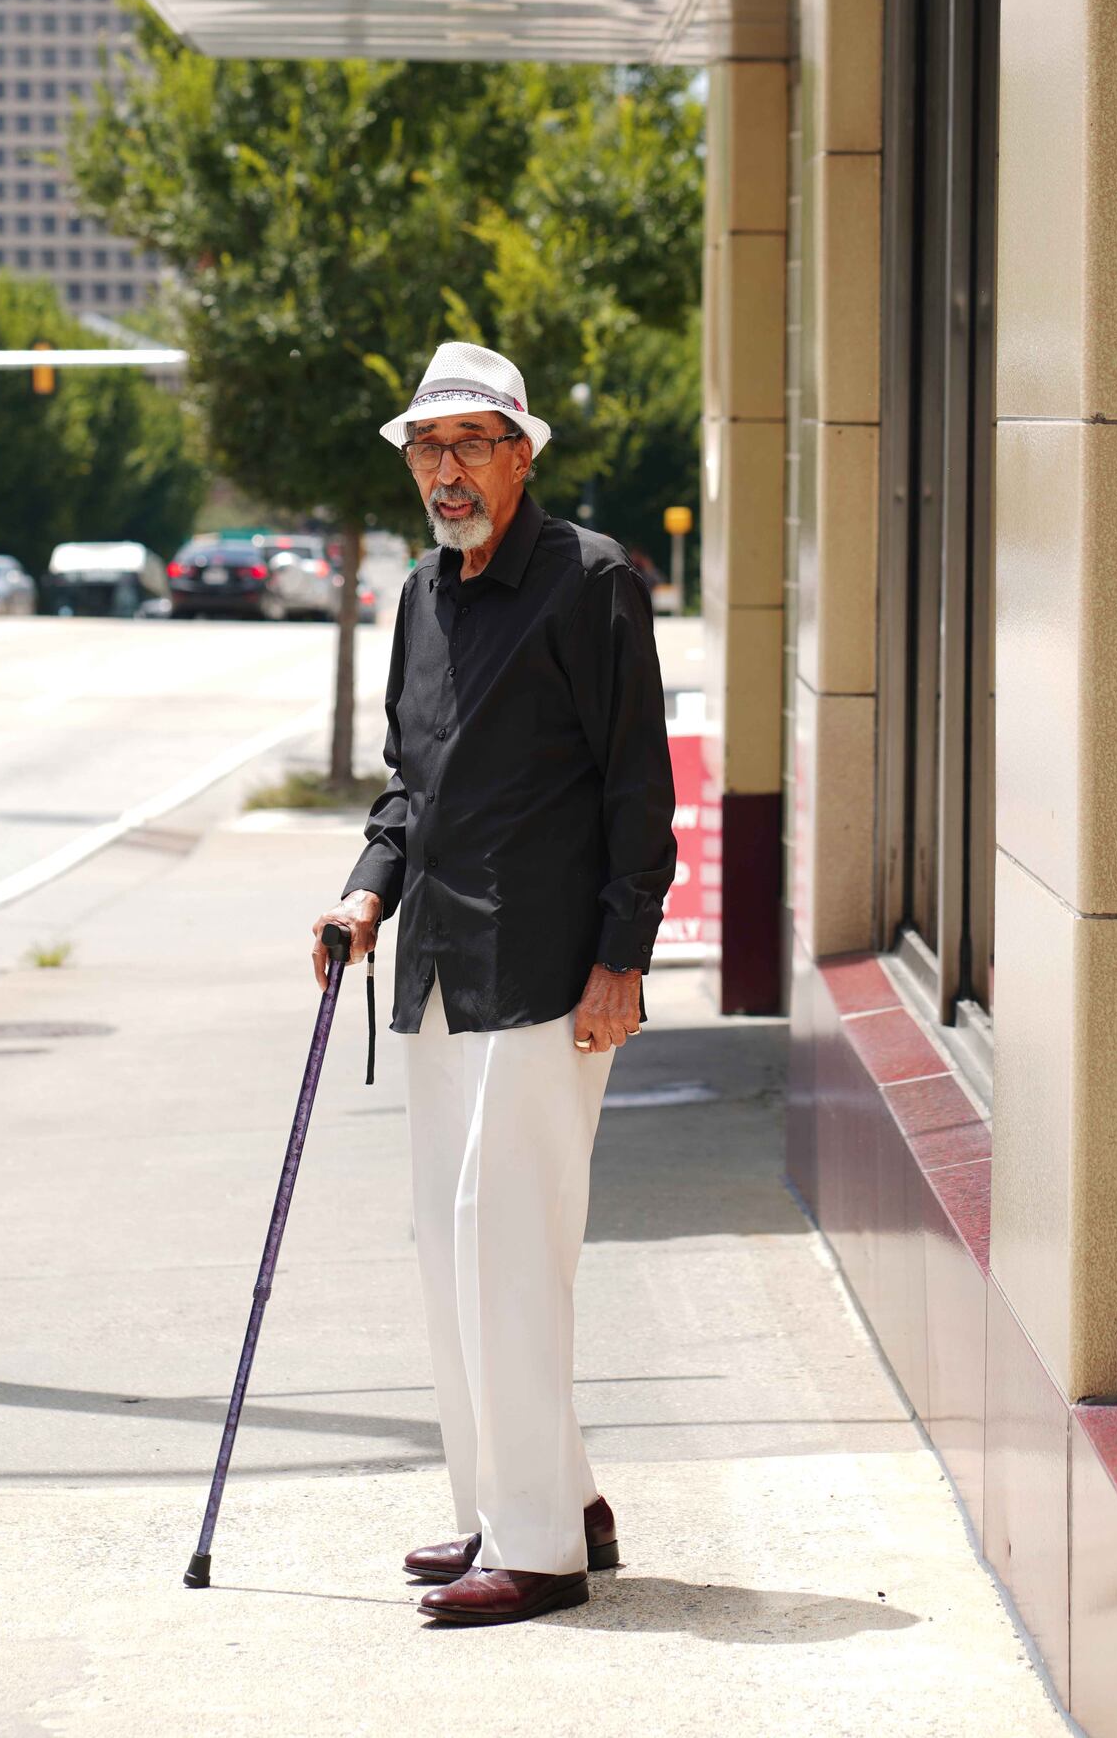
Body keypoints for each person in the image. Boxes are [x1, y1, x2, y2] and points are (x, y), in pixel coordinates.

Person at [312, 341, 676, 1629]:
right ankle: (538, 1500)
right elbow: (414, 783)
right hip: (437, 966)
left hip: (549, 971)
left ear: (522, 453)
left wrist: (622, 960)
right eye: (427, 448)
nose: (446, 471)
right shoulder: (421, 591)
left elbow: (641, 788)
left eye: (471, 443)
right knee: (450, 1245)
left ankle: (543, 1552)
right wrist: (366, 890)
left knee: (509, 1247)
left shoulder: (590, 584)